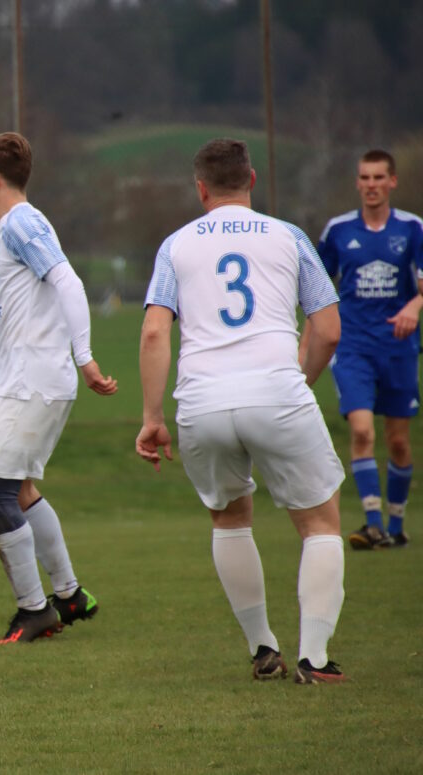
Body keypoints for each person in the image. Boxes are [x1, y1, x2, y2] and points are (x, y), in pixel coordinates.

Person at [136, 138, 347, 684]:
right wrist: (299, 381)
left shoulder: (176, 245)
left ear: (200, 189)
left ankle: (263, 649)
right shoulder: (289, 236)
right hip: (276, 390)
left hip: (202, 401)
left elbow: (155, 331)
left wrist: (153, 418)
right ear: (251, 180)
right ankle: (314, 659)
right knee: (319, 522)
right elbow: (327, 330)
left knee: (229, 519)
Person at [0, 131, 117, 645]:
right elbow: (13, 311)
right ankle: (70, 595)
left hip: (31, 383)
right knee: (19, 491)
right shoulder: (17, 227)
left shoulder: (20, 222)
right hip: (37, 380)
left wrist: (85, 357)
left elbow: (69, 284)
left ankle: (34, 610)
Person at [316, 149, 423, 550]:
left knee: (397, 442)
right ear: (357, 182)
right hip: (353, 347)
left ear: (392, 181)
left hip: (398, 347)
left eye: (379, 177)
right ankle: (373, 523)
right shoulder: (338, 230)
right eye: (365, 178)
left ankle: (396, 524)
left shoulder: (412, 228)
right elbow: (317, 286)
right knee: (361, 431)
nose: (371, 185)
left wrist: (414, 306)